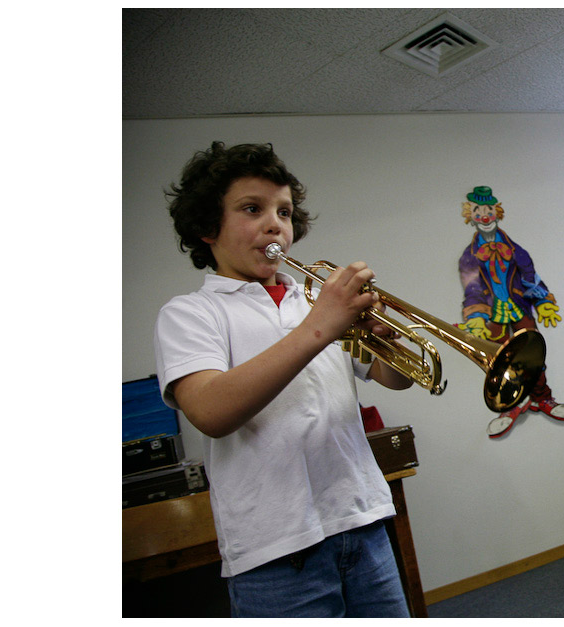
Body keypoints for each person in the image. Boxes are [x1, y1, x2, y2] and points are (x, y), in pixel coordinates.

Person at [153, 142, 412, 617]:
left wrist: (388, 338)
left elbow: (394, 379)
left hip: (363, 522)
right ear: (207, 227)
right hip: (275, 553)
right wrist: (322, 326)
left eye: (285, 212)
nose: (276, 224)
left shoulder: (314, 300)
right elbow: (210, 411)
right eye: (253, 209)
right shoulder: (191, 313)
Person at [456, 186, 564, 438]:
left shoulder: (516, 249)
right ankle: (510, 406)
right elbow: (473, 289)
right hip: (492, 314)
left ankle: (542, 398)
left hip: (519, 307)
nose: (485, 217)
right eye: (479, 212)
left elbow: (530, 277)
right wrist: (475, 317)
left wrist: (543, 301)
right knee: (500, 362)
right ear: (471, 216)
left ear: (497, 213)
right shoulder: (469, 257)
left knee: (533, 355)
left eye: (489, 211)